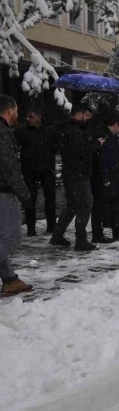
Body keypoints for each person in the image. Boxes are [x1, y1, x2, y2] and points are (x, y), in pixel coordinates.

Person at [50, 104, 104, 251]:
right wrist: (96, 144)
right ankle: (80, 239)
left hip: (73, 173)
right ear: (80, 114)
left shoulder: (71, 128)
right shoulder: (73, 130)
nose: (88, 119)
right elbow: (80, 151)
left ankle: (58, 234)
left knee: (73, 205)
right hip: (77, 174)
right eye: (87, 116)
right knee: (85, 204)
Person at [0, 95, 33, 296]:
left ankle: (9, 279)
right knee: (11, 237)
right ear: (10, 109)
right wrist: (25, 196)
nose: (18, 114)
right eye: (17, 110)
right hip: (3, 192)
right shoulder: (3, 133)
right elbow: (10, 167)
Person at [91, 111, 119, 242]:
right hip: (104, 175)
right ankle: (98, 234)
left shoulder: (112, 136)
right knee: (101, 205)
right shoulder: (103, 135)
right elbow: (102, 158)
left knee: (116, 203)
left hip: (114, 174)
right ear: (115, 124)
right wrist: (105, 177)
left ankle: (118, 230)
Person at [15, 107, 57, 237]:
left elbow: (56, 145)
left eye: (31, 117)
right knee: (30, 199)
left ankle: (51, 225)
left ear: (40, 117)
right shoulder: (23, 131)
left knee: (50, 198)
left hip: (47, 168)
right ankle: (31, 228)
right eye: (27, 117)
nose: (28, 119)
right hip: (29, 169)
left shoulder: (50, 130)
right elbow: (17, 145)